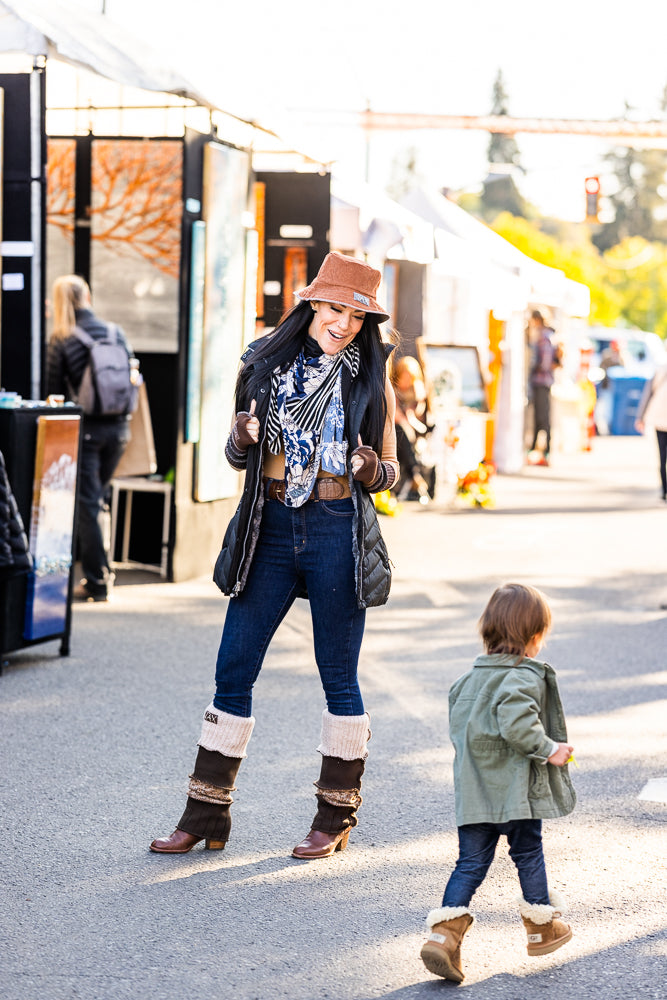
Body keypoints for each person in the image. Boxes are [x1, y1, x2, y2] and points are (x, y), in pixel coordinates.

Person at [150, 251, 398, 860]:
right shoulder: (263, 364)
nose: (343, 324)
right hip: (273, 526)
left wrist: (370, 467)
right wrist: (240, 438)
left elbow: (391, 469)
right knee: (233, 666)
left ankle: (334, 818)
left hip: (337, 523)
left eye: (356, 316)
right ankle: (205, 813)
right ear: (313, 303)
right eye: (335, 309)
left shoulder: (370, 376)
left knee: (338, 675)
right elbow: (239, 458)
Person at [420, 583, 576, 983]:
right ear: (534, 638)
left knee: (470, 864)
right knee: (528, 855)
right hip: (515, 795)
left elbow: (463, 733)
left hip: (474, 796)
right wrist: (549, 749)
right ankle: (541, 926)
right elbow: (517, 722)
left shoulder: (465, 681)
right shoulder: (521, 676)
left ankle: (443, 934)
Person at [46, 276, 133, 602]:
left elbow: (52, 391)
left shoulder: (62, 338)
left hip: (87, 432)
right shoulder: (115, 331)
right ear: (88, 297)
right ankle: (103, 573)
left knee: (88, 503)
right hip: (120, 430)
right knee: (99, 500)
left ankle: (97, 581)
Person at [391, 354, 435, 501]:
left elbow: (420, 418)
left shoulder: (419, 393)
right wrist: (406, 420)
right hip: (399, 433)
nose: (406, 380)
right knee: (401, 430)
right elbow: (396, 416)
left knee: (403, 432)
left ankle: (414, 475)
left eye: (409, 377)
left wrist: (411, 418)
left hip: (417, 433)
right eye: (403, 376)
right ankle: (415, 475)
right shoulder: (393, 392)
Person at [527, 311, 557, 465]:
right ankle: (539, 449)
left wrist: (533, 368)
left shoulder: (544, 337)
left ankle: (545, 450)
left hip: (542, 381)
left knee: (542, 417)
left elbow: (544, 362)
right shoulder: (548, 335)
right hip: (544, 381)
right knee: (541, 417)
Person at [635, 360, 667, 501]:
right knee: (662, 456)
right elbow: (648, 394)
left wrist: (640, 417)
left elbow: (647, 395)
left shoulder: (659, 369)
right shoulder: (659, 370)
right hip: (660, 420)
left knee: (662, 456)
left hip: (659, 419)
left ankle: (664, 490)